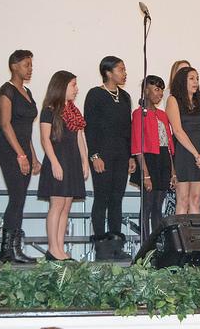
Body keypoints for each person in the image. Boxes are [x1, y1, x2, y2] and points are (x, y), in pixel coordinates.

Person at [84, 56, 136, 257]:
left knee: (117, 199)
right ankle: (101, 246)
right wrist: (94, 155)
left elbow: (127, 129)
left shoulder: (125, 97)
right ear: (108, 72)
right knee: (102, 198)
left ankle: (116, 245)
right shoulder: (95, 94)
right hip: (102, 154)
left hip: (121, 155)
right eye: (120, 69)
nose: (124, 73)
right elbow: (90, 127)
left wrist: (131, 156)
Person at [0, 50, 41, 263]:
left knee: (20, 199)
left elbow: (26, 130)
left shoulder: (28, 92)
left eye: (31, 64)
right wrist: (20, 155)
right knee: (16, 197)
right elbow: (5, 124)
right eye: (26, 65)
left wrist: (33, 155)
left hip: (23, 148)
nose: (30, 68)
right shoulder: (7, 90)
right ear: (14, 66)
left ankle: (15, 249)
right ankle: (6, 251)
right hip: (9, 149)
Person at [37, 71, 88, 261]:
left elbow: (80, 137)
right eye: (73, 85)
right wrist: (54, 163)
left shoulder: (74, 111)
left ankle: (60, 247)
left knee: (66, 206)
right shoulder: (49, 109)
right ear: (61, 86)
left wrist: (84, 160)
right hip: (58, 159)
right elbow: (45, 139)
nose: (76, 89)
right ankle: (53, 249)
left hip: (72, 160)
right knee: (56, 204)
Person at [130, 75, 175, 242]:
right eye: (156, 89)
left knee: (158, 206)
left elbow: (169, 145)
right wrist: (145, 174)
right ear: (146, 90)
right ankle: (145, 242)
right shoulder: (139, 114)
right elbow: (137, 145)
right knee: (147, 205)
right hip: (148, 161)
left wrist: (173, 172)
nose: (160, 93)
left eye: (161, 90)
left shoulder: (163, 115)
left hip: (163, 160)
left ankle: (157, 243)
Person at [166, 66, 200, 214]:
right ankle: (181, 237)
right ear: (182, 81)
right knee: (183, 198)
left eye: (197, 78)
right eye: (192, 78)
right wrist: (195, 153)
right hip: (184, 152)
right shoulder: (173, 100)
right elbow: (178, 131)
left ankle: (194, 236)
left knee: (196, 198)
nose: (196, 82)